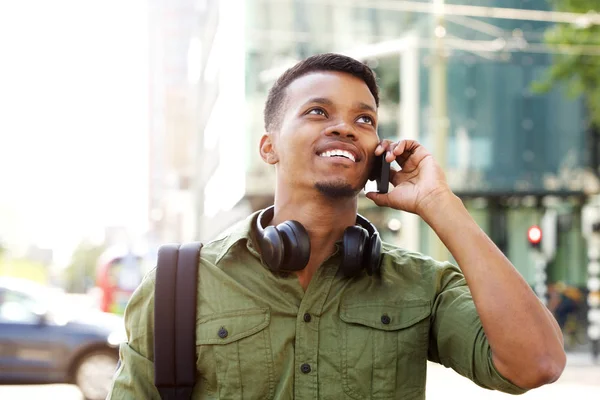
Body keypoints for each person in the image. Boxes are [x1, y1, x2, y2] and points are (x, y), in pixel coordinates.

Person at [107, 53, 566, 399]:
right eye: (317, 112)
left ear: (377, 153)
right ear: (269, 147)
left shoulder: (422, 285)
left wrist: (439, 203)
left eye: (363, 119)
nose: (345, 128)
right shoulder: (179, 284)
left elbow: (536, 363)